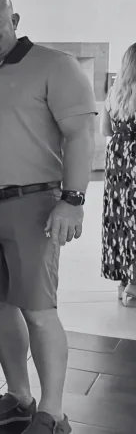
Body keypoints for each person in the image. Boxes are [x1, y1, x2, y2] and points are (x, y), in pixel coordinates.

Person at [0, 0, 97, 434]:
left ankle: (53, 413)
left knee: (38, 309)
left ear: (13, 19)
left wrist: (73, 199)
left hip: (35, 204)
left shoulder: (56, 65)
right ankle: (19, 396)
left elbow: (81, 135)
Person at [102, 42, 136, 306]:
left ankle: (124, 282)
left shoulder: (114, 92)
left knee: (120, 220)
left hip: (118, 163)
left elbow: (106, 130)